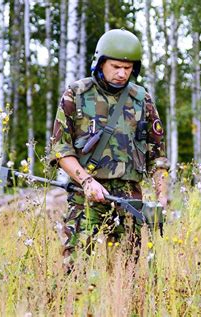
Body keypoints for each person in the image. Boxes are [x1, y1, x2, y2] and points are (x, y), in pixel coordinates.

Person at [49, 29, 169, 271]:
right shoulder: (77, 95)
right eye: (115, 66)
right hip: (86, 195)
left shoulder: (142, 99)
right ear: (100, 62)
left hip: (129, 197)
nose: (122, 73)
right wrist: (86, 182)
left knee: (126, 271)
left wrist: (162, 198)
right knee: (74, 266)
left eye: (128, 67)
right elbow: (61, 149)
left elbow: (157, 157)